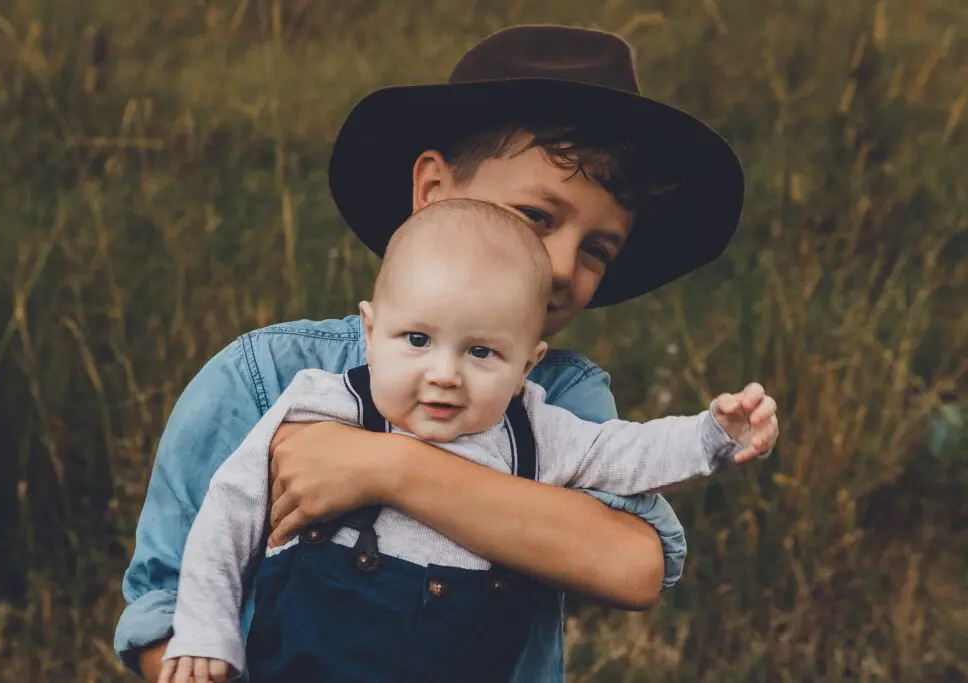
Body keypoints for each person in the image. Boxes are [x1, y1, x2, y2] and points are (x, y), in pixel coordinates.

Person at [115, 25, 765, 683]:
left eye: (598, 248)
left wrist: (387, 466)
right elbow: (162, 602)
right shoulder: (264, 377)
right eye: (537, 216)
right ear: (431, 191)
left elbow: (631, 562)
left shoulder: (561, 399)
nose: (563, 265)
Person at [158, 200, 777, 683]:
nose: (445, 374)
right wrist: (207, 631)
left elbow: (626, 452)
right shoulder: (324, 402)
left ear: (526, 366)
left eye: (482, 352)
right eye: (417, 341)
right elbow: (230, 508)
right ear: (371, 332)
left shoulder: (533, 432)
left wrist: (712, 435)